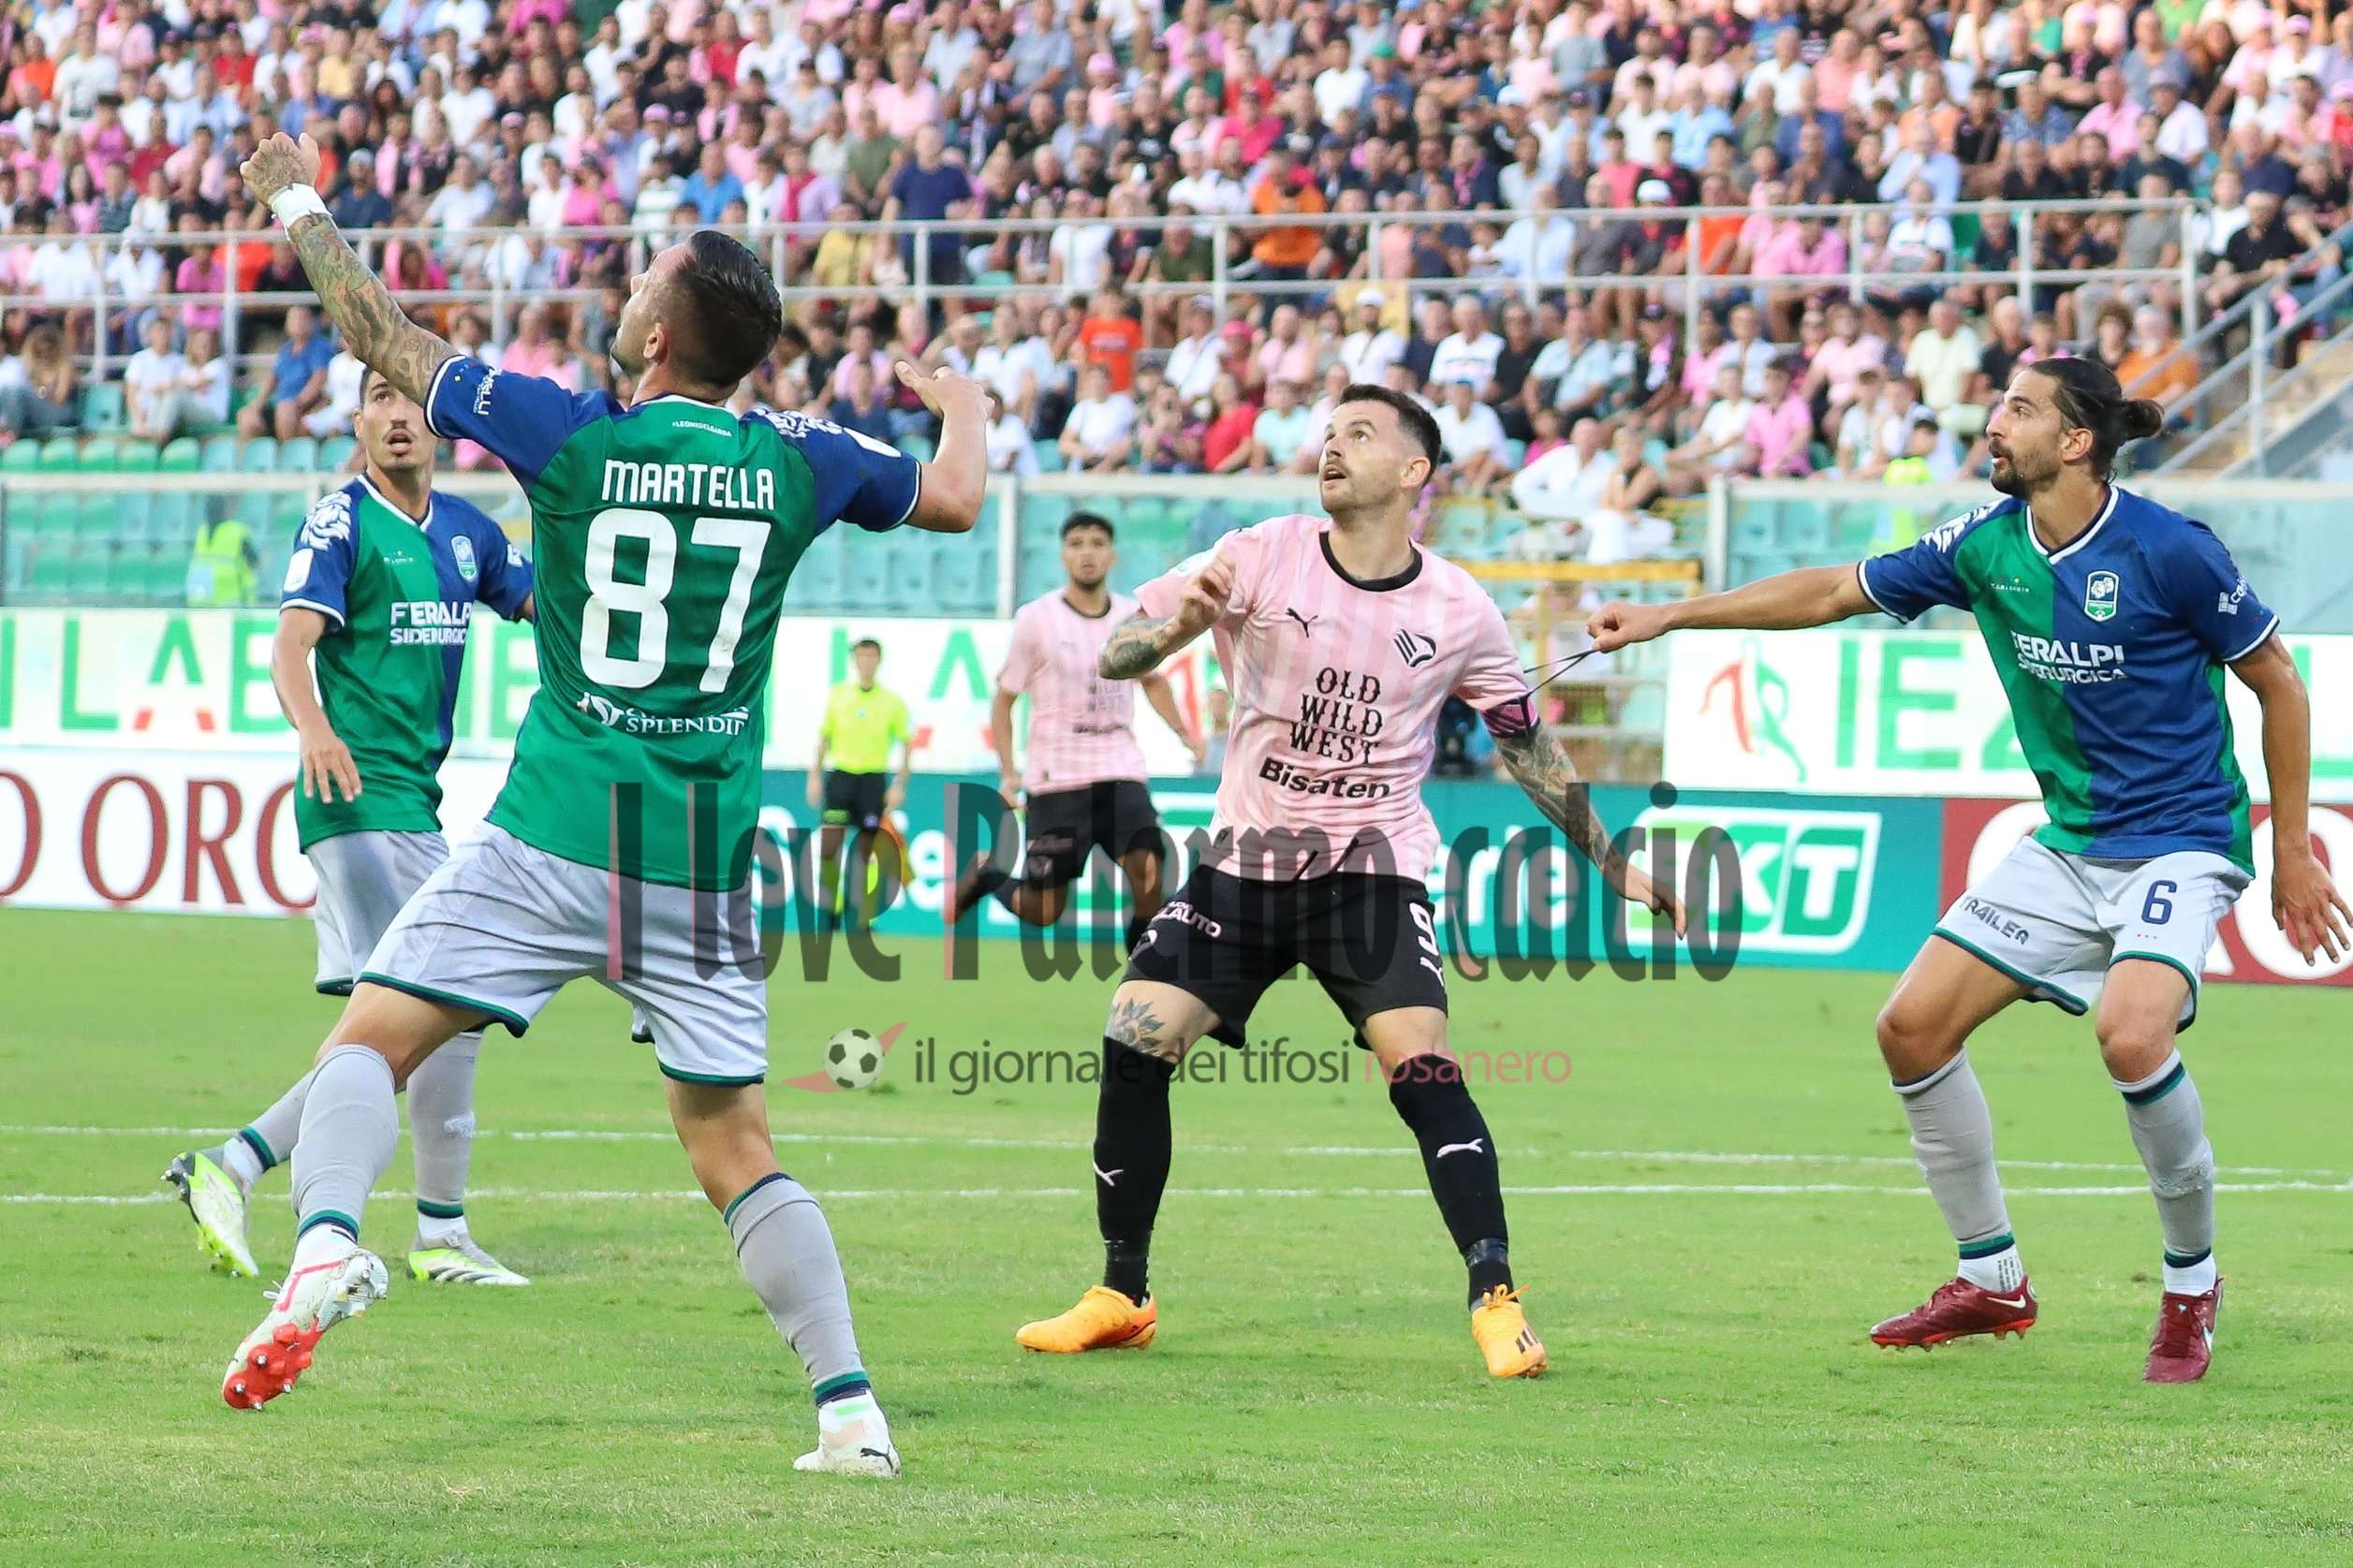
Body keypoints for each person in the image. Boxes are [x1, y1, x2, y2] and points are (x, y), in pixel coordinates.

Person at [217, 133, 991, 1479]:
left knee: (366, 1044)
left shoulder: (566, 429)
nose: (630, 286)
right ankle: (851, 1412)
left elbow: (379, 331)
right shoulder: (800, 458)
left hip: (546, 831)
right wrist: (961, 396)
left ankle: (330, 1239)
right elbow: (961, 495)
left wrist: (295, 200)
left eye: (646, 277)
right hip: (691, 859)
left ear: (654, 325)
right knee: (732, 1143)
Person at [1588, 359, 2349, 1384]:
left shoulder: (2168, 549)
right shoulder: (1982, 545)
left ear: (2075, 442)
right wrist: (1667, 617)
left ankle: (2187, 1286)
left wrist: (2291, 845)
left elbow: (2277, 681)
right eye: (1997, 405)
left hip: (2178, 838)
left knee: (2130, 1034)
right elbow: (1826, 591)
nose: (1994, 425)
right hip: (2067, 841)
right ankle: (1990, 1276)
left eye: (2019, 410)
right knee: (1908, 1026)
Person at [1012, 384, 1683, 1379]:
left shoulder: (1458, 608)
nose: (1330, 448)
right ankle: (1122, 1291)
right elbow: (1119, 650)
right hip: (1243, 865)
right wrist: (1176, 628)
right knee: (1133, 1033)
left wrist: (1612, 860)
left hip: (1369, 871)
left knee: (1418, 1064)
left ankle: (1494, 1297)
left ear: (1413, 472)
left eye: (1358, 435)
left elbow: (1526, 746)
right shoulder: (1256, 551)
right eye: (1326, 434)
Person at [165, 364, 537, 1290]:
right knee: (436, 1008)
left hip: (410, 799)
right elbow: (291, 642)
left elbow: (543, 607)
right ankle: (430, 1229)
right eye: (377, 398)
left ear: (441, 419)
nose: (396, 415)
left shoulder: (468, 532)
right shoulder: (341, 518)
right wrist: (317, 729)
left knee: (416, 1022)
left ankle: (240, 1163)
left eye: (410, 398)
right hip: (357, 795)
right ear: (359, 420)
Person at [955, 513, 1206, 948]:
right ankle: (987, 874)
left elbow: (1152, 679)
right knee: (1044, 910)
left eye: (1095, 543)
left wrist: (1185, 733)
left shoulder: (1133, 615)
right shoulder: (1036, 619)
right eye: (1076, 544)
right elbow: (1004, 700)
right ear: (1062, 555)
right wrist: (1009, 772)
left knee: (1149, 872)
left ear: (1112, 555)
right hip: (1058, 778)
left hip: (1120, 768)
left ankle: (1142, 981)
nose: (1086, 553)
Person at [808, 637, 916, 933]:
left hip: (872, 780)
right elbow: (824, 739)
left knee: (866, 853)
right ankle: (831, 912)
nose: (866, 661)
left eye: (871, 656)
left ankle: (863, 917)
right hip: (841, 777)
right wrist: (814, 775)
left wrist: (899, 784)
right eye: (861, 656)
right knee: (831, 848)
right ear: (854, 660)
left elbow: (907, 744)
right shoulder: (838, 696)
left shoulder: (892, 702)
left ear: (878, 660)